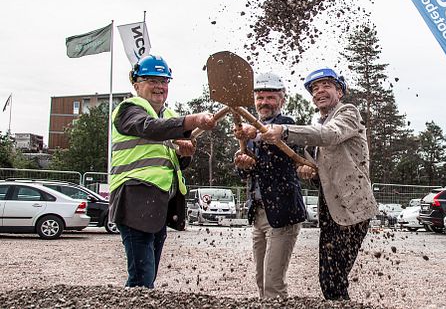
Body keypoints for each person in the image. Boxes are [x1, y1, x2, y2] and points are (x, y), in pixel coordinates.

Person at [262, 67, 378, 301]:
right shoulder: (318, 127)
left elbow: (329, 135)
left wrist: (284, 130)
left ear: (340, 91)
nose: (319, 91)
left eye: (326, 85)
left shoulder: (347, 113)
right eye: (315, 88)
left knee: (332, 278)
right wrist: (309, 170)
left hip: (353, 209)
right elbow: (320, 171)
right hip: (330, 210)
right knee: (330, 277)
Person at [109, 54, 216, 288]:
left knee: (148, 274)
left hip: (158, 203)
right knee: (141, 277)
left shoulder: (167, 116)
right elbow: (149, 128)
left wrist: (182, 153)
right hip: (134, 197)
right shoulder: (129, 109)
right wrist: (193, 119)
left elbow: (171, 162)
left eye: (164, 81)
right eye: (152, 80)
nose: (159, 86)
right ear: (136, 84)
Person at [233, 72, 306, 299]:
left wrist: (253, 133)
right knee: (261, 280)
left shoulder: (288, 126)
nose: (264, 102)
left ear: (282, 100)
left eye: (270, 98)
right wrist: (243, 163)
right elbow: (246, 171)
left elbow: (277, 147)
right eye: (260, 98)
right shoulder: (249, 134)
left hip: (282, 213)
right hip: (258, 213)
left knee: (273, 283)